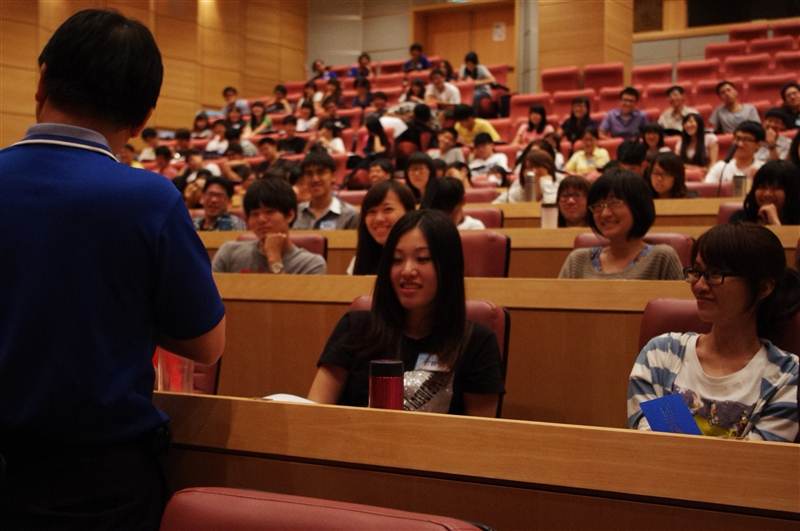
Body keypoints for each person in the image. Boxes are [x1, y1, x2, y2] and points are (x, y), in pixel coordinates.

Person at [0, 9, 226, 530]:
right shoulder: (148, 199)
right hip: (96, 490)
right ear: (143, 118)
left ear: (41, 80)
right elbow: (208, 345)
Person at [307, 209, 506, 416]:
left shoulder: (478, 342)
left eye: (422, 258)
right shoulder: (354, 327)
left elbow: (479, 432)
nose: (407, 270)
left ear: (448, 266)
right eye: (396, 259)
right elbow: (314, 415)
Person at [628, 222, 799, 441]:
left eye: (715, 274)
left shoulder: (786, 376)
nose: (699, 286)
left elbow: (755, 460)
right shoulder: (661, 355)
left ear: (763, 287)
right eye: (696, 272)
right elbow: (653, 447)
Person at [558, 169, 683, 280]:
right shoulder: (577, 260)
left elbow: (681, 299)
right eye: (598, 205)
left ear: (638, 206)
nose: (605, 213)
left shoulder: (661, 258)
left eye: (614, 203)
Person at [212, 178, 326, 274]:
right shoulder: (229, 253)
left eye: (269, 212)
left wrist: (274, 258)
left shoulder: (311, 264)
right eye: (255, 214)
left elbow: (285, 295)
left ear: (290, 215)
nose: (261, 219)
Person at [350, 180, 416, 275]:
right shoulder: (358, 261)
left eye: (388, 209)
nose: (378, 219)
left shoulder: (424, 259)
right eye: (371, 212)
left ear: (409, 213)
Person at [292, 150, 360, 230]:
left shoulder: (351, 215)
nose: (315, 179)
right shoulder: (294, 213)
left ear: (333, 176)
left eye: (320, 172)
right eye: (309, 173)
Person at [729, 160, 800, 226]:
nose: (767, 194)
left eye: (776, 188)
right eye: (762, 187)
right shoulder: (740, 219)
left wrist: (775, 223)